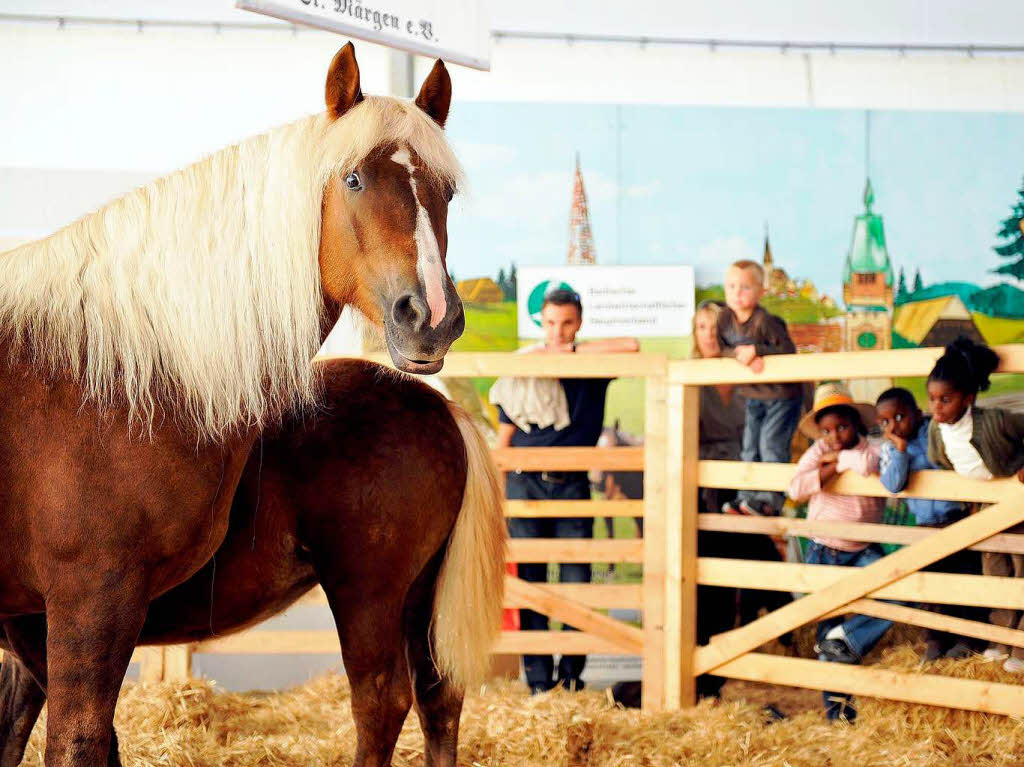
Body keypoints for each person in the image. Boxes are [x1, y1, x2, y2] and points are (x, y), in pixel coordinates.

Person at [495, 288, 638, 694]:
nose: (558, 331)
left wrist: (572, 354)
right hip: (525, 484)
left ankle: (572, 678)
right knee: (531, 583)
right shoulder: (523, 369)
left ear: (578, 324)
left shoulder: (590, 364)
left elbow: (632, 346)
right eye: (552, 322)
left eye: (567, 323)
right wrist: (498, 498)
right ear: (542, 322)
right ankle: (539, 684)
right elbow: (505, 438)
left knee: (577, 583)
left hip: (573, 485)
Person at [788, 382, 889, 722]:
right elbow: (796, 487)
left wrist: (843, 460)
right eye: (827, 430)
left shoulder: (870, 447)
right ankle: (839, 714)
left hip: (863, 548)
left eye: (842, 427)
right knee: (823, 631)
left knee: (897, 592)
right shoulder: (818, 452)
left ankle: (847, 637)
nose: (835, 436)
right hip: (825, 550)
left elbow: (868, 464)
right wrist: (829, 468)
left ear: (856, 424)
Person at [925, 337, 1024, 673]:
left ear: (968, 399)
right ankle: (999, 636)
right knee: (994, 570)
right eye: (933, 399)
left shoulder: (996, 421)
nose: (937, 407)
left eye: (946, 400)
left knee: (1021, 569)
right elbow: (944, 465)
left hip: (1018, 504)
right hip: (986, 509)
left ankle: (1021, 643)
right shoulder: (936, 433)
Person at [875, 387, 981, 661]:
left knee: (961, 580)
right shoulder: (889, 448)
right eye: (886, 421)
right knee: (929, 585)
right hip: (923, 527)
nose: (895, 425)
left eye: (900, 416)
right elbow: (893, 484)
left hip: (954, 519)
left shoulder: (934, 433)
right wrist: (899, 450)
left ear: (917, 413)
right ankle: (935, 640)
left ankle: (965, 639)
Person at [717, 260, 803, 516]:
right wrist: (738, 356)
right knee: (749, 446)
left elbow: (788, 350)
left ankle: (770, 500)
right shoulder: (724, 318)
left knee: (770, 444)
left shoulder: (765, 321)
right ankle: (746, 497)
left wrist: (758, 352)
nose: (737, 293)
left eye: (745, 287)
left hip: (781, 395)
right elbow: (723, 348)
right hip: (752, 394)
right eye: (731, 286)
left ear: (760, 292)